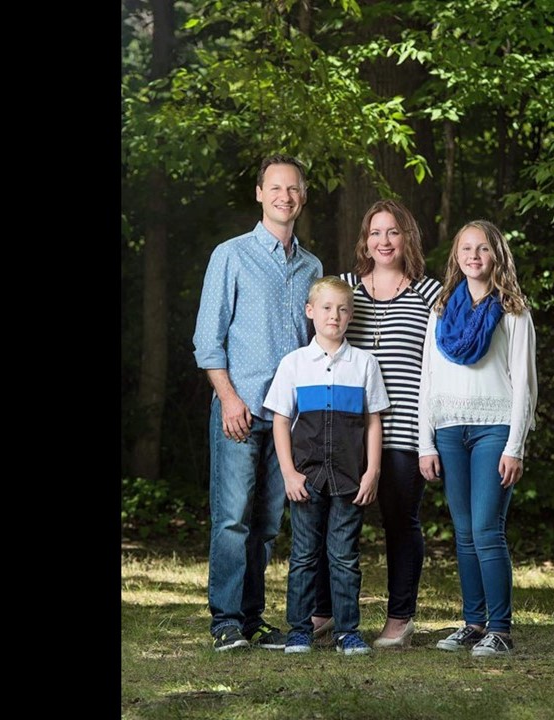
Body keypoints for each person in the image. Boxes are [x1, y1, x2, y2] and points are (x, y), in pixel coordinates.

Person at [192, 154, 322, 651]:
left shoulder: (312, 266)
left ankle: (251, 618)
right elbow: (208, 338)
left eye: (293, 189)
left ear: (302, 197)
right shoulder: (231, 255)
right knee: (231, 519)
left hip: (287, 417)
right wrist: (227, 398)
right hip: (240, 409)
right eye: (276, 188)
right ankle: (224, 619)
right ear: (260, 193)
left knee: (267, 525)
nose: (284, 197)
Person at [308, 199, 443, 648]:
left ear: (407, 238)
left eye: (393, 232)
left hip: (405, 430)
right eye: (375, 233)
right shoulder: (344, 288)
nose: (383, 241)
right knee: (334, 522)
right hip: (344, 434)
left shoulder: (430, 293)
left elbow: (441, 368)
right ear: (364, 239)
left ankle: (399, 618)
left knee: (401, 522)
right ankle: (324, 612)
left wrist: (432, 437)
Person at [417, 220, 537, 658]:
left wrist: (515, 445)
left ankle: (500, 630)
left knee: (487, 529)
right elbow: (428, 378)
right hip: (449, 428)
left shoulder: (513, 311)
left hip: (495, 428)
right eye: (465, 248)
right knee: (464, 532)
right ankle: (473, 623)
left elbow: (523, 383)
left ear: (496, 256)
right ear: (456, 256)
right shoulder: (441, 309)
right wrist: (424, 442)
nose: (473, 256)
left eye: (482, 249)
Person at [264, 276, 390, 656]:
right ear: (310, 312)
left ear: (351, 314)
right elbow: (281, 420)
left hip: (351, 478)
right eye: (326, 308)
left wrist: (372, 472)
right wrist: (288, 472)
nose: (334, 316)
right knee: (303, 555)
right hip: (306, 478)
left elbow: (373, 422)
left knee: (345, 556)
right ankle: (300, 630)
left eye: (342, 308)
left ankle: (347, 631)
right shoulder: (295, 364)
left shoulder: (364, 364)